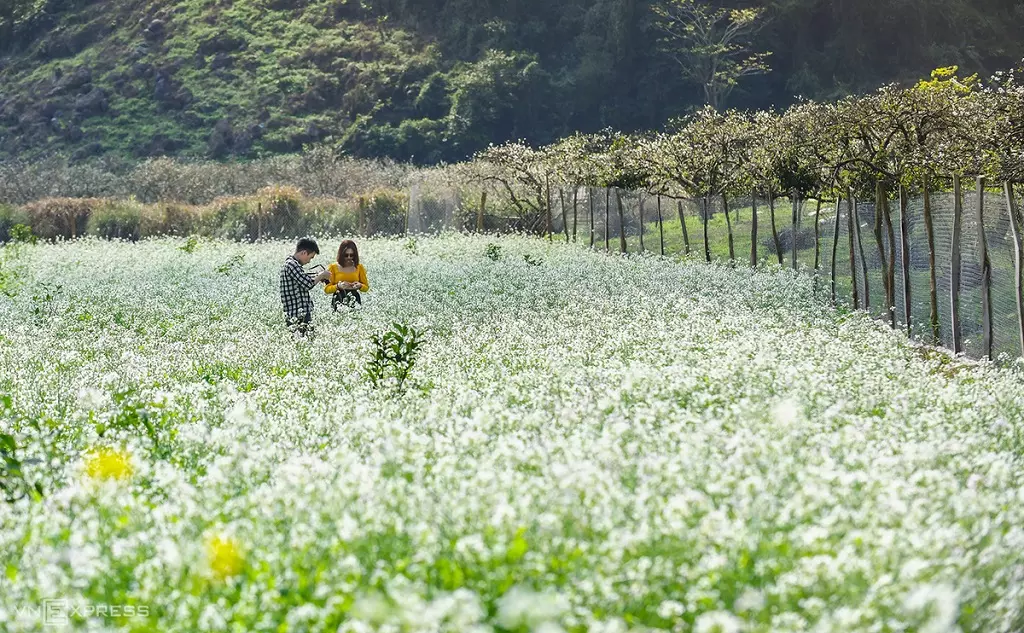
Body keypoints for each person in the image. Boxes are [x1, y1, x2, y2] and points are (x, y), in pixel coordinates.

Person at [280, 237, 331, 337]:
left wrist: (318, 276)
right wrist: (322, 275)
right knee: (303, 342)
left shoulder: (293, 265)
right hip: (296, 314)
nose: (309, 261)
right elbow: (307, 284)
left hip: (300, 313)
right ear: (303, 253)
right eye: (310, 257)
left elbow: (303, 278)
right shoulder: (291, 264)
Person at [326, 239, 370, 310]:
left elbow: (366, 287)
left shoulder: (359, 267)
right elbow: (327, 289)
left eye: (351, 255)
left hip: (355, 299)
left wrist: (360, 286)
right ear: (341, 254)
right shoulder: (333, 267)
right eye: (346, 255)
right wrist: (338, 286)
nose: (349, 257)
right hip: (338, 298)